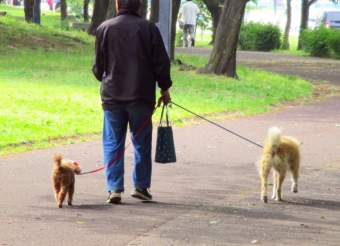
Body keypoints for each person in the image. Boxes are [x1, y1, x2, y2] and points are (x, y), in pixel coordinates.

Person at [92, 0, 172, 204]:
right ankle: (141, 186)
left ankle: (114, 188)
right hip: (141, 96)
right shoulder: (149, 29)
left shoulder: (104, 28)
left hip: (112, 97)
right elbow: (161, 63)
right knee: (141, 142)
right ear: (139, 6)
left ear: (117, 5)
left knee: (112, 143)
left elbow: (98, 69)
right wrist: (164, 89)